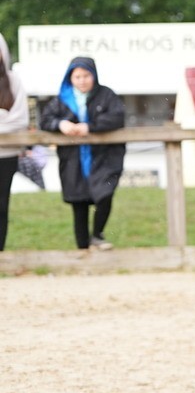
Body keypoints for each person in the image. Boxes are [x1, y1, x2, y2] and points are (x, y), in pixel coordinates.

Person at [38, 56, 126, 252]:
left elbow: (117, 117)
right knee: (79, 204)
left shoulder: (106, 95)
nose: (82, 80)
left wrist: (91, 127)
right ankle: (82, 250)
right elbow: (45, 120)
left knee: (104, 195)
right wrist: (60, 124)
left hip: (103, 157)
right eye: (77, 76)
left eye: (86, 75)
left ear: (93, 75)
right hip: (73, 159)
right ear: (70, 78)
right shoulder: (62, 99)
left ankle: (97, 234)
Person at [0, 34, 30, 251]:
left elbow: (20, 120)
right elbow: (10, 119)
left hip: (7, 155)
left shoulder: (14, 81)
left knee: (1, 206)